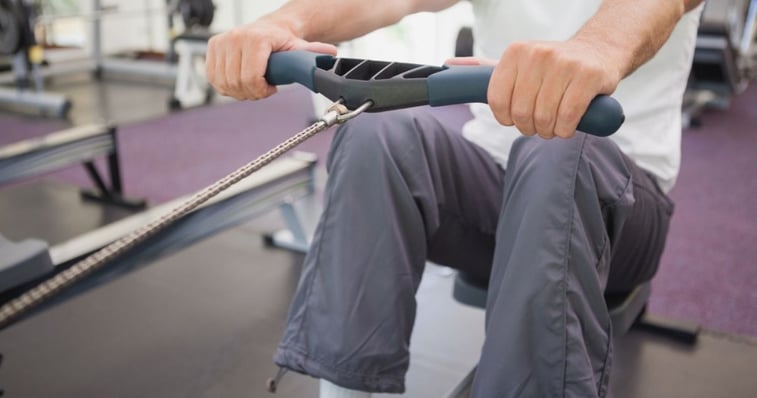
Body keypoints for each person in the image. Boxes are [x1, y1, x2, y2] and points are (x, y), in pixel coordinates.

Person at [206, 1, 704, 397]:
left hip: (619, 205)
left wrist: (597, 50)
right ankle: (344, 389)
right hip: (492, 187)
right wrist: (280, 22)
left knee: (557, 150)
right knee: (378, 133)